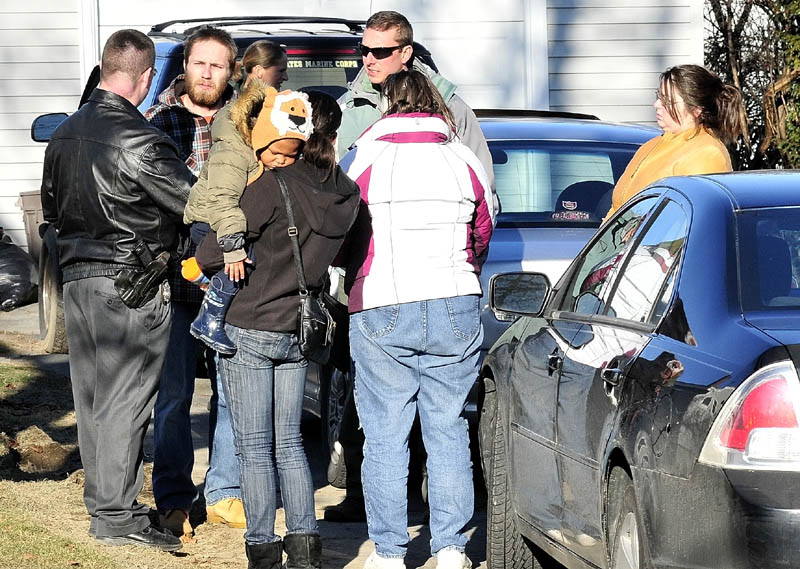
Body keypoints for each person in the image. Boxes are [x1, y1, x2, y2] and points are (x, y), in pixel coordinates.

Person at [329, 8, 498, 524]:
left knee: (389, 431)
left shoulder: (371, 150)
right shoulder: (352, 108)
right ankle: (446, 545)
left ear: (406, 52)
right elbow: (483, 216)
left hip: (378, 293)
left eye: (380, 52)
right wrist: (462, 264)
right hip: (446, 295)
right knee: (443, 427)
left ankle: (389, 546)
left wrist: (350, 269)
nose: (369, 60)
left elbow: (337, 214)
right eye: (365, 50)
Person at [40, 29, 193, 551]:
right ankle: (115, 515)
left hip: (79, 281)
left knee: (92, 399)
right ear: (147, 78)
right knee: (127, 401)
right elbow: (192, 205)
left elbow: (51, 211)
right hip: (133, 285)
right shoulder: (144, 141)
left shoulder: (63, 135)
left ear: (106, 69)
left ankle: (107, 505)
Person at [195, 88, 360, 569]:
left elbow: (210, 254)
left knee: (254, 446)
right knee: (289, 443)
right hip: (299, 329)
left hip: (249, 325)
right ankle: (305, 545)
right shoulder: (346, 193)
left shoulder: (274, 184)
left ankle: (264, 548)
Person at [143, 25, 246, 537]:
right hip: (177, 282)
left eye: (218, 65)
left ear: (232, 71)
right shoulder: (157, 124)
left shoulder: (248, 122)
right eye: (199, 63)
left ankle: (226, 492)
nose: (208, 73)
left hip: (234, 281)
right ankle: (173, 498)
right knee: (175, 395)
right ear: (184, 65)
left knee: (232, 394)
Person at [183, 40, 292, 355]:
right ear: (259, 71)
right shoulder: (235, 133)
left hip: (224, 220)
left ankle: (201, 276)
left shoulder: (254, 120)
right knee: (244, 263)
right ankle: (209, 319)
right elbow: (222, 195)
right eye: (280, 70)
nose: (284, 77)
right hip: (212, 221)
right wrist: (231, 249)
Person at [603, 64, 744, 220]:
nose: (656, 105)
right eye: (658, 96)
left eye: (667, 101)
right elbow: (618, 208)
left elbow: (692, 223)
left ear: (696, 110)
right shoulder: (651, 145)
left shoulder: (707, 154)